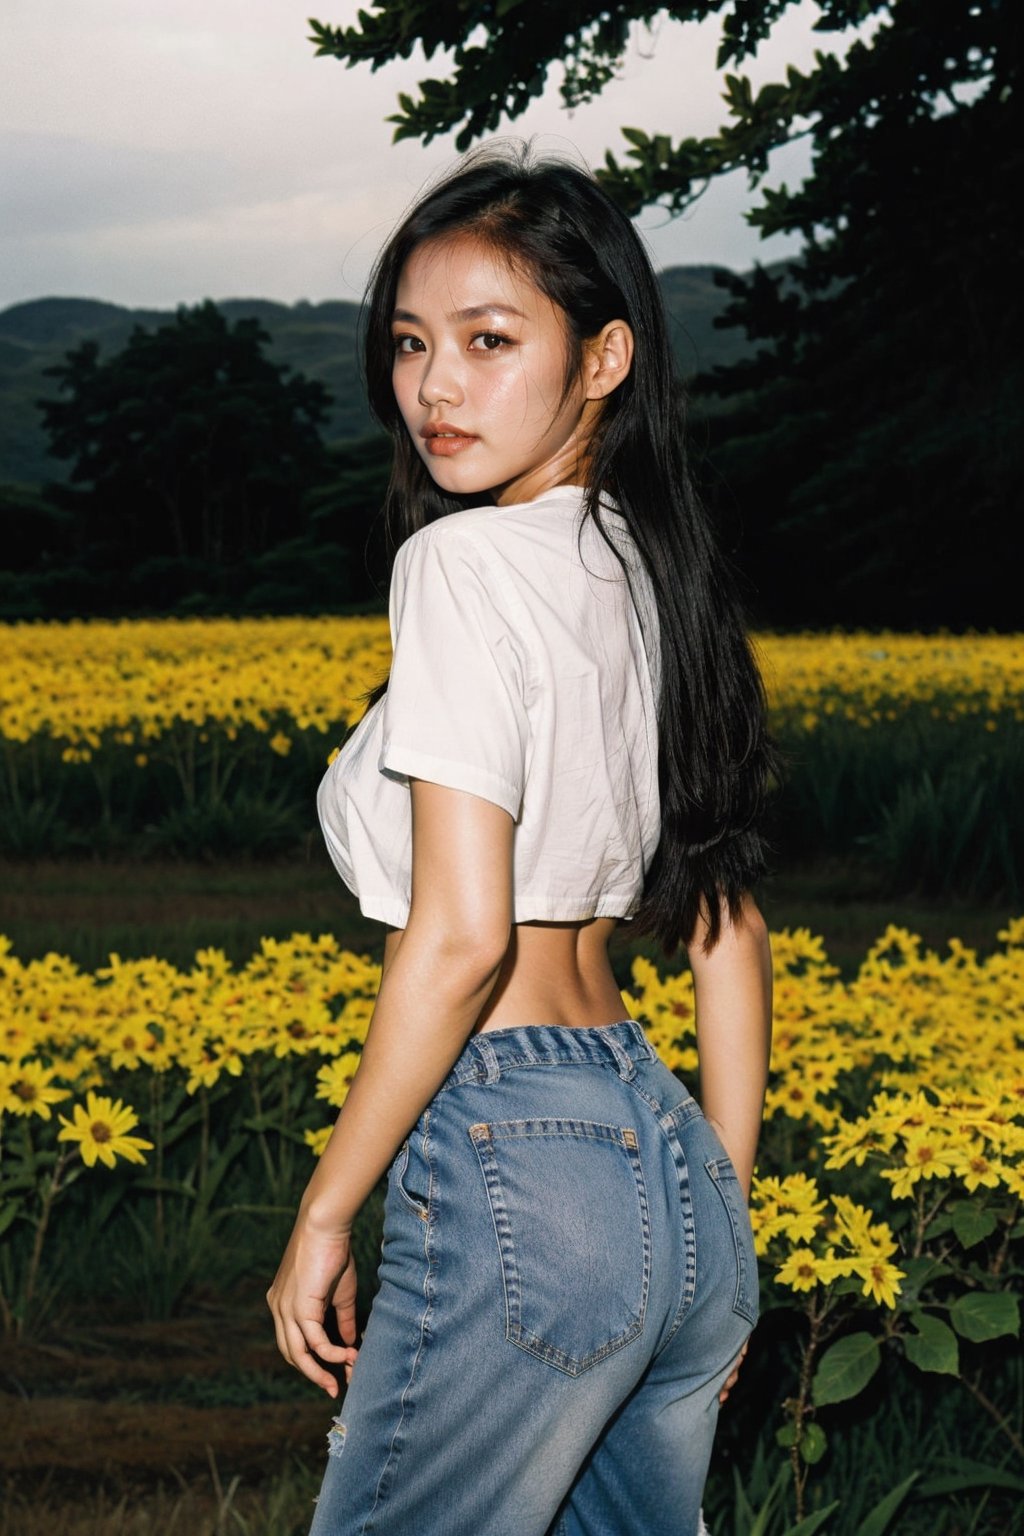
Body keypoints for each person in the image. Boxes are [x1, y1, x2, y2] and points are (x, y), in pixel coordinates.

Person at [267, 141, 775, 1536]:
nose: (435, 385)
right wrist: (716, 1223)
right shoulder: (663, 581)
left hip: (519, 1147)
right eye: (412, 343)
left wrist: (325, 1211)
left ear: (605, 356)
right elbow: (727, 934)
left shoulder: (461, 563)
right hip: (666, 1160)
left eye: (491, 341)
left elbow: (463, 934)